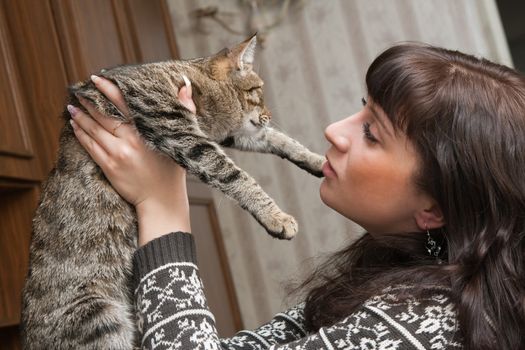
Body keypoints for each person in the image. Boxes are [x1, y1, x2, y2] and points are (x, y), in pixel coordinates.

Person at [68, 43, 525, 349]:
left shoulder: (418, 330)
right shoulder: (400, 275)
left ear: (435, 209)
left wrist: (162, 208)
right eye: (360, 106)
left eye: (371, 132)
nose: (333, 131)